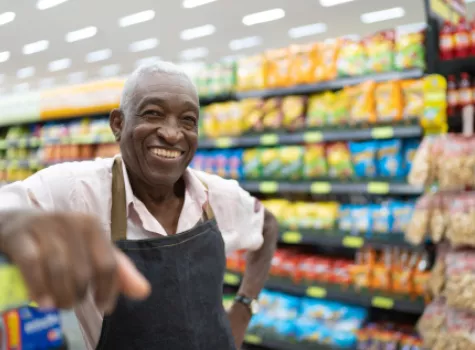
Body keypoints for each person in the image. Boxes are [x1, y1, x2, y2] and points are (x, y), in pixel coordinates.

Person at [0, 61, 278, 350]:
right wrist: (13, 223)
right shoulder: (75, 191)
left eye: (187, 120)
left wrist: (244, 307)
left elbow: (267, 225)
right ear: (118, 124)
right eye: (153, 114)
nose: (172, 133)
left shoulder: (217, 195)